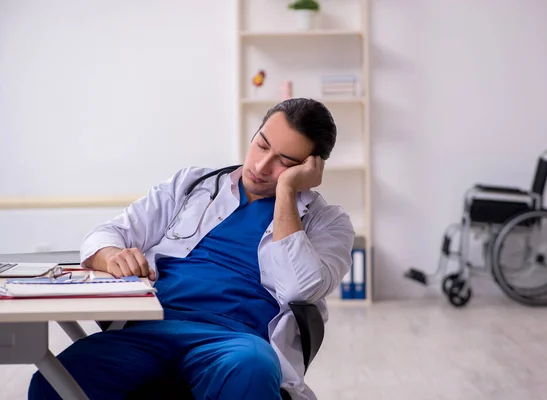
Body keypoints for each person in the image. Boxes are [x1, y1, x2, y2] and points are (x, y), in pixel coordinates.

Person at [28, 98, 355, 400]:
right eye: (261, 145)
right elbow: (106, 233)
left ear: (309, 169)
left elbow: (300, 289)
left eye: (284, 162)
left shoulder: (327, 223)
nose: (262, 165)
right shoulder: (191, 185)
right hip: (151, 328)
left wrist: (285, 192)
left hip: (234, 342)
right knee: (55, 380)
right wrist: (112, 255)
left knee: (253, 368)